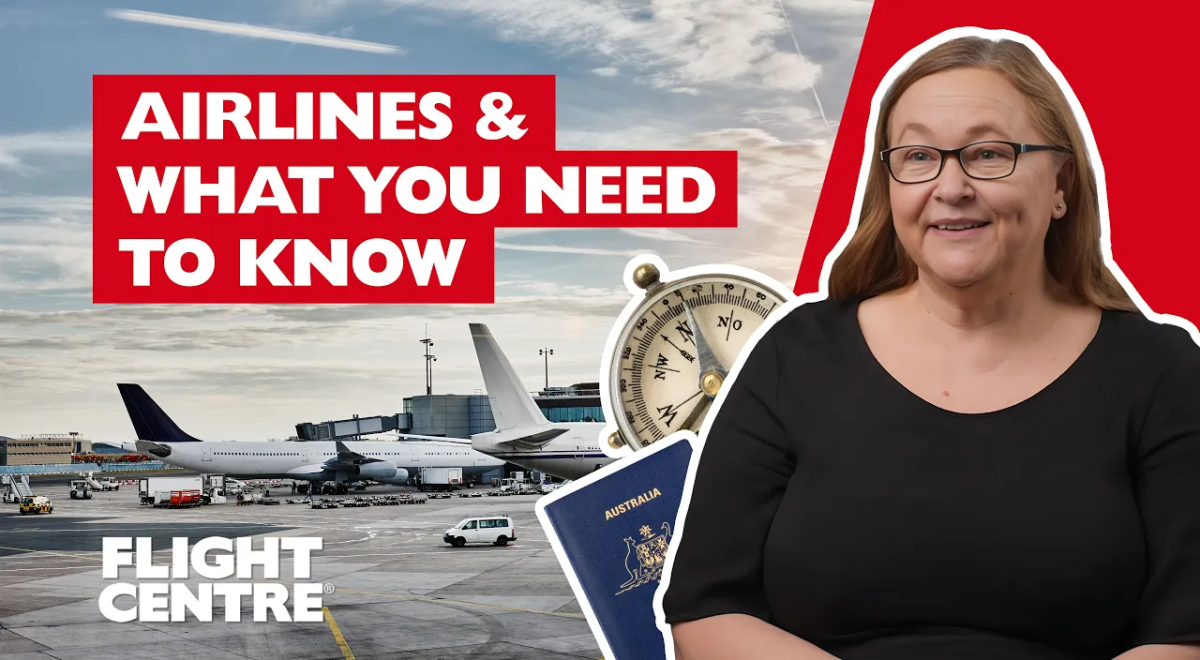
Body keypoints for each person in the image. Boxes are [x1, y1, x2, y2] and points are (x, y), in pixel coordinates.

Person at [660, 34, 1200, 660]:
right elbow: (706, 611)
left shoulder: (1159, 371)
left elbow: (1185, 636)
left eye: (989, 153)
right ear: (889, 186)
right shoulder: (795, 355)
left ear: (1062, 185)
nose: (951, 186)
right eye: (918, 156)